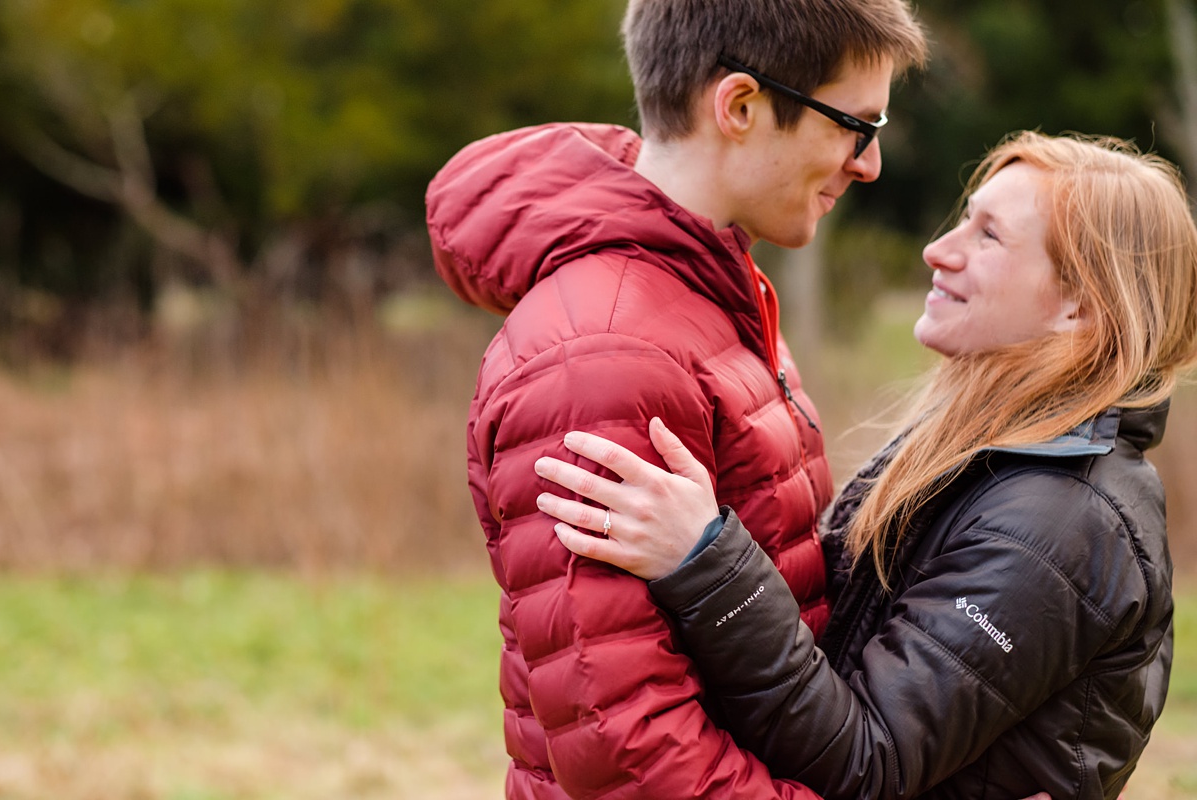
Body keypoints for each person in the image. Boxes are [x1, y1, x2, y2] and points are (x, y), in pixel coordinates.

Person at [534, 130, 1197, 799]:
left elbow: (866, 760)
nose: (939, 250)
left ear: (1080, 306)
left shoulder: (1060, 521)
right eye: (964, 219)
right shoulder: (994, 457)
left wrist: (704, 562)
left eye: (989, 236)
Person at [425, 0, 928, 795]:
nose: (868, 163)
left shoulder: (709, 292)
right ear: (740, 107)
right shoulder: (604, 356)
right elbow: (625, 747)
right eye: (855, 125)